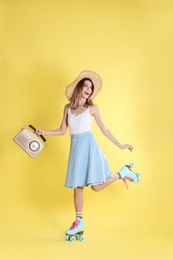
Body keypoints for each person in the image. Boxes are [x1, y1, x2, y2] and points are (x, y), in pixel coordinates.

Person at [36, 70, 141, 241]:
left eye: (90, 87)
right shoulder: (67, 108)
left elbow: (105, 129)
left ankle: (121, 174)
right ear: (78, 87)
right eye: (85, 85)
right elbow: (62, 130)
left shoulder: (93, 109)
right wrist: (44, 132)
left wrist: (121, 145)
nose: (88, 88)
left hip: (89, 147)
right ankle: (79, 221)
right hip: (76, 148)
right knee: (78, 187)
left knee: (96, 187)